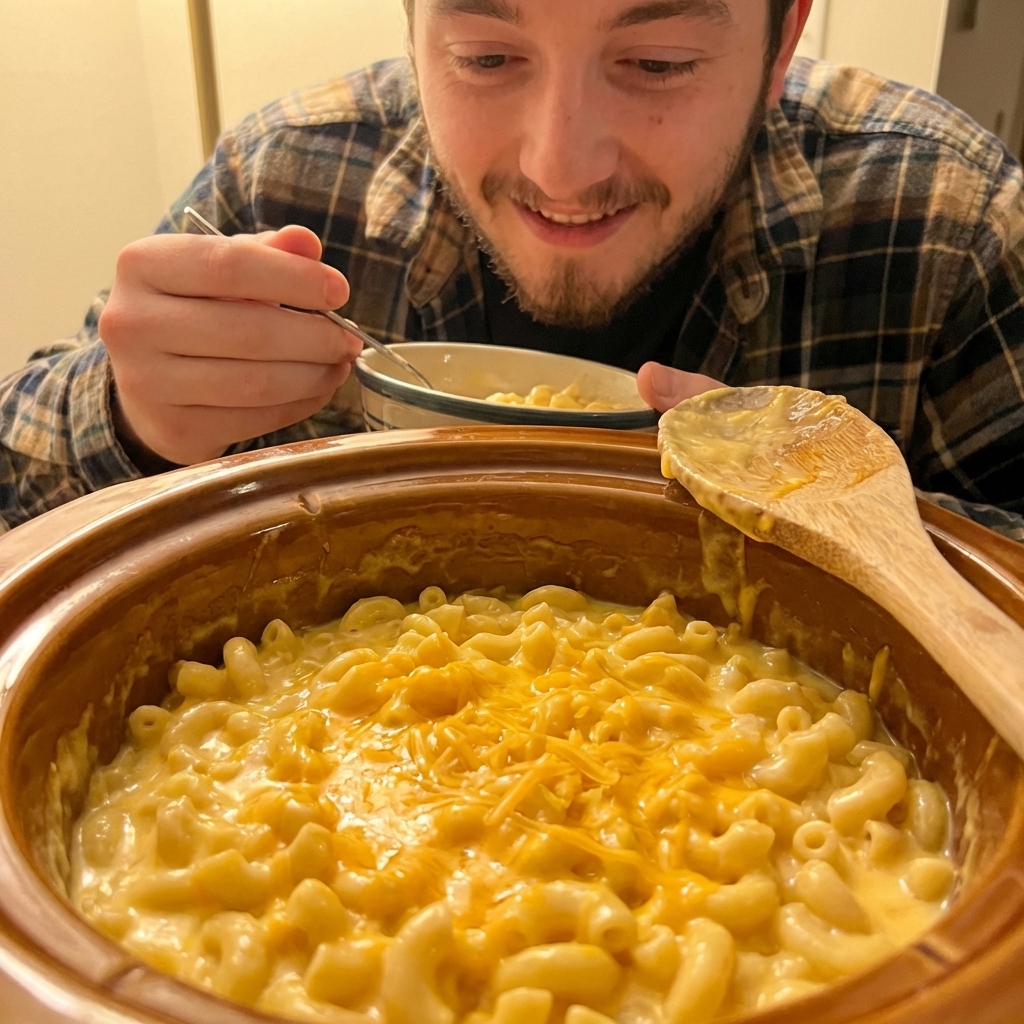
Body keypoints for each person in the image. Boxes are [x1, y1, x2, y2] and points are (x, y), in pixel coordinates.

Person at [1, 0, 1022, 538]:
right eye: (486, 58)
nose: (558, 166)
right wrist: (126, 417)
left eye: (657, 61)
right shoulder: (287, 186)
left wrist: (863, 521)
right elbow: (16, 480)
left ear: (780, 37)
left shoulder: (947, 222)